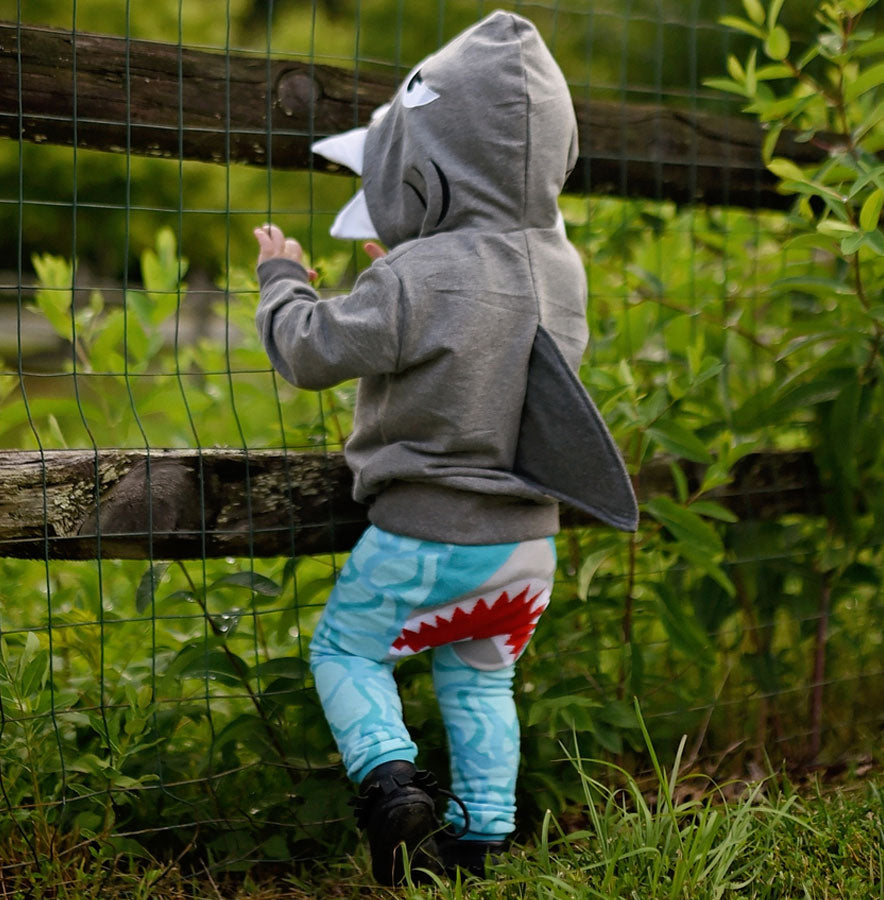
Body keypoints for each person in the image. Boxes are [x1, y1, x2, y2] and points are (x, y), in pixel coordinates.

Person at [253, 10, 637, 885]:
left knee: (346, 652)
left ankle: (392, 783)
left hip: (428, 537)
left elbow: (312, 351)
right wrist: (404, 270)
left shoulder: (416, 275)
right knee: (480, 682)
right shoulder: (563, 268)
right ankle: (481, 839)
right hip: (527, 549)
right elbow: (484, 316)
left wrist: (283, 282)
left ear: (423, 161)